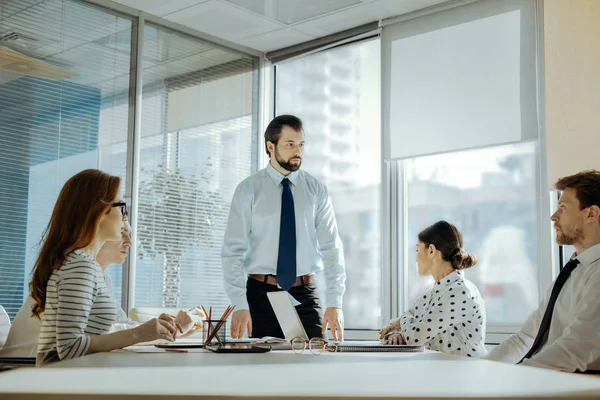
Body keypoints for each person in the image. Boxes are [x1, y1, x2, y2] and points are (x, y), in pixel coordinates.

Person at [30, 169, 180, 365]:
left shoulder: (86, 265)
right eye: (121, 206)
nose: (125, 217)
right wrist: (138, 334)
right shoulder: (80, 266)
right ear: (98, 212)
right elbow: (69, 348)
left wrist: (149, 329)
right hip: (64, 385)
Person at [222, 115, 346, 341]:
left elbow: (332, 248)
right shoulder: (248, 190)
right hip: (261, 294)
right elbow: (232, 251)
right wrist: (239, 303)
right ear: (271, 146)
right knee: (261, 371)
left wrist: (335, 302)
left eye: (301, 144)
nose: (297, 150)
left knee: (314, 365)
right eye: (290, 144)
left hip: (305, 294)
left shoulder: (316, 190)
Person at [1, 222, 203, 359]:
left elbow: (121, 324)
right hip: (26, 370)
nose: (129, 243)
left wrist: (165, 330)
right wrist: (149, 332)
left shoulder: (100, 276)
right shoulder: (75, 272)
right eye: (122, 234)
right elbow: (99, 335)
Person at [486, 170, 600, 372]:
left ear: (591, 213)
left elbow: (577, 347)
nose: (553, 216)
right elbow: (525, 338)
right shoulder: (573, 270)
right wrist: (481, 369)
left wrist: (520, 377)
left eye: (563, 208)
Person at [379, 221, 487, 358]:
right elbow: (391, 326)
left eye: (418, 249)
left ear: (431, 250)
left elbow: (416, 337)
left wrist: (402, 321)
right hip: (441, 371)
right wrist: (396, 334)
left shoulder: (460, 292)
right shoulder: (434, 291)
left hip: (467, 373)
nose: (416, 259)